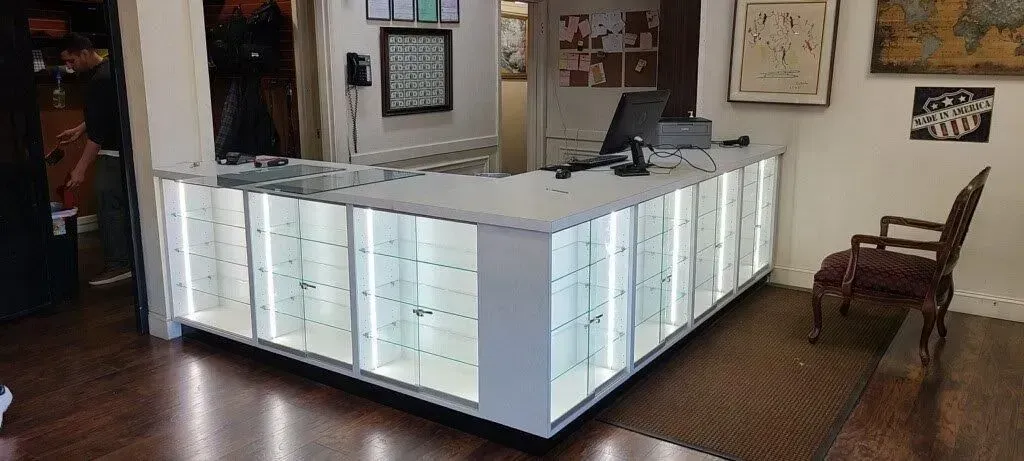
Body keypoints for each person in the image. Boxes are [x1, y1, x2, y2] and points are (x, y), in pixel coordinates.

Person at [57, 33, 132, 286]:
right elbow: (105, 114)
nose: (70, 67)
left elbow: (98, 135)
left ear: (85, 52)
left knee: (108, 202)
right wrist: (80, 129)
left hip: (113, 151)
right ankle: (124, 260)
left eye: (71, 60)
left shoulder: (100, 80)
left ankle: (119, 263)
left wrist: (80, 169)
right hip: (120, 149)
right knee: (116, 204)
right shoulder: (109, 70)